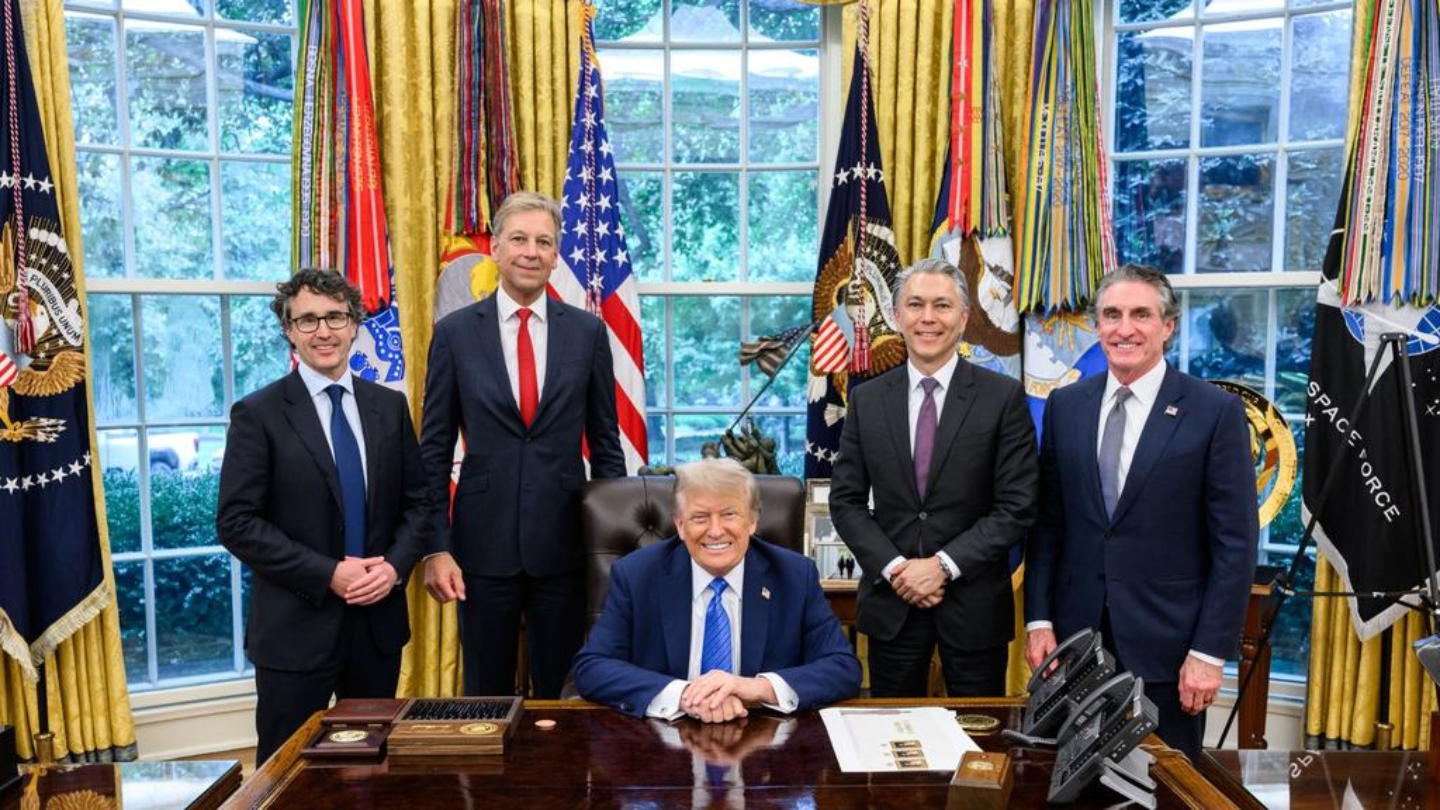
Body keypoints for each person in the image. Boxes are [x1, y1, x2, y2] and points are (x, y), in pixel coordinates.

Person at [1024, 264, 1258, 759]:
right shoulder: (1066, 405)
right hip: (1077, 646)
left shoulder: (1214, 412)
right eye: (1111, 314)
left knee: (1164, 788)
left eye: (1140, 315)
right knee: (1075, 785)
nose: (1123, 328)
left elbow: (1235, 546)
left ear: (1167, 326)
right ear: (1097, 324)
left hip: (1170, 655)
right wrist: (1039, 620)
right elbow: (1049, 526)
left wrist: (1208, 653)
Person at [419, 190, 627, 698]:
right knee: (485, 693)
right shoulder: (455, 334)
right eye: (518, 239)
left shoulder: (587, 333)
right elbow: (433, 449)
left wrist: (609, 552)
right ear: (496, 249)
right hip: (480, 547)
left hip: (565, 545)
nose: (530, 252)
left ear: (556, 255)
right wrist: (435, 549)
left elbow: (605, 446)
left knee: (561, 691)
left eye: (543, 242)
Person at [217, 269, 430, 763]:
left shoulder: (389, 407)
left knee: (374, 768)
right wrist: (328, 573)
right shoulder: (258, 413)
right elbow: (237, 522)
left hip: (376, 626)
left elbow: (419, 504)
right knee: (288, 773)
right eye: (308, 320)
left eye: (335, 316)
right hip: (295, 631)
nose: (324, 331)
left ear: (355, 323)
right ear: (288, 330)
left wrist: (395, 567)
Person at [829, 257, 1037, 698]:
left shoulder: (1002, 397)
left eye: (942, 306)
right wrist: (897, 570)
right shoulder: (866, 400)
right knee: (891, 744)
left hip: (974, 608)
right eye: (916, 304)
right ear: (898, 315)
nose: (928, 318)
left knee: (979, 748)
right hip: (892, 602)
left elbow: (1017, 506)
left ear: (963, 319)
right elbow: (846, 501)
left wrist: (941, 567)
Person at [573, 458, 862, 721]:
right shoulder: (637, 574)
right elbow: (593, 667)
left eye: (729, 514)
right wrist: (684, 695)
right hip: (661, 746)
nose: (715, 531)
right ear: (680, 524)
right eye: (700, 517)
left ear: (752, 521)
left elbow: (842, 668)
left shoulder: (794, 575)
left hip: (765, 747)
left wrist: (755, 687)